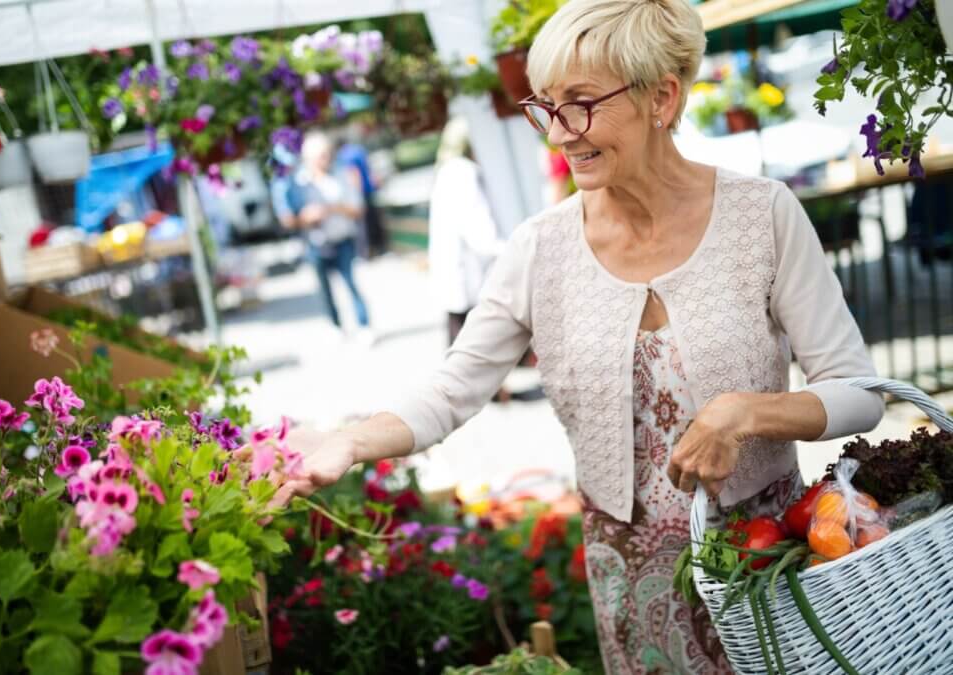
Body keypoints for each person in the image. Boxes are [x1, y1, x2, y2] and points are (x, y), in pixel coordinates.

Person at [273, 1, 884, 672]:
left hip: (767, 562)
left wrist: (747, 412)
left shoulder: (762, 216)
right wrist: (349, 440)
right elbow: (453, 389)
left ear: (662, 96)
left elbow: (858, 394)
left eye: (582, 104)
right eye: (547, 106)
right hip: (627, 584)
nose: (560, 133)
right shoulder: (540, 249)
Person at [287, 131, 373, 343]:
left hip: (342, 236)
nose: (325, 159)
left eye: (327, 154)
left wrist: (332, 208)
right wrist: (305, 217)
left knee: (351, 283)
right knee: (324, 290)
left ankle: (364, 325)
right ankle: (335, 326)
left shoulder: (342, 174)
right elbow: (288, 217)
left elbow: (357, 208)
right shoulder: (298, 182)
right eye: (320, 156)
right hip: (316, 242)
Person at [427, 116, 505, 347]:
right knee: (476, 341)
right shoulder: (463, 172)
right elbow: (476, 223)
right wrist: (503, 248)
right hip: (467, 270)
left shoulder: (444, 170)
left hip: (454, 268)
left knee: (463, 339)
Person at [337, 117, 387, 258]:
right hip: (369, 190)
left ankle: (366, 252)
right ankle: (379, 247)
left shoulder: (344, 155)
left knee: (363, 225)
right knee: (374, 220)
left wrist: (355, 196)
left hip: (359, 192)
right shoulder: (358, 150)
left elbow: (354, 174)